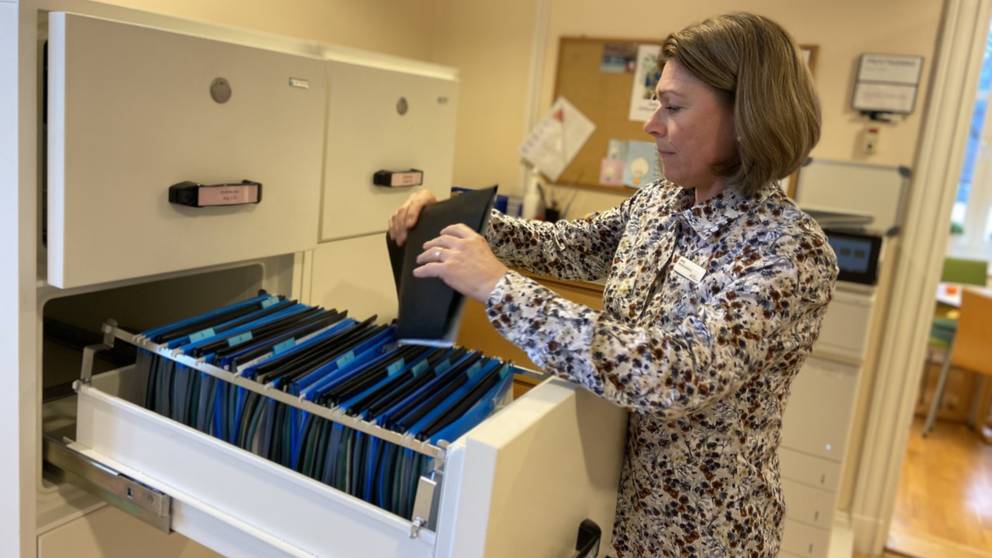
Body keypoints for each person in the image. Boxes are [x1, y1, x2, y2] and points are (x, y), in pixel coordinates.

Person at [388, 12, 837, 557]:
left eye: (673, 107)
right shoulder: (661, 201)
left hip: (701, 535)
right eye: (656, 103)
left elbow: (675, 374)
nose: (652, 125)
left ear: (748, 117)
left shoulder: (789, 251)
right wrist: (456, 220)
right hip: (608, 503)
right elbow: (566, 246)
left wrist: (501, 289)